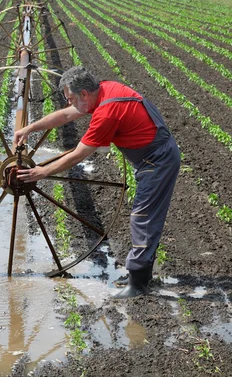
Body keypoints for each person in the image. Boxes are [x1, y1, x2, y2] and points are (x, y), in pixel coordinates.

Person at [13, 66, 180, 298]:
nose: (70, 104)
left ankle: (139, 285)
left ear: (84, 94)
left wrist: (43, 171)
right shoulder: (103, 90)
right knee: (144, 215)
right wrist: (30, 128)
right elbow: (65, 115)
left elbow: (78, 155)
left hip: (158, 160)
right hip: (151, 156)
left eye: (71, 98)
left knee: (143, 217)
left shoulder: (107, 112)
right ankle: (140, 274)